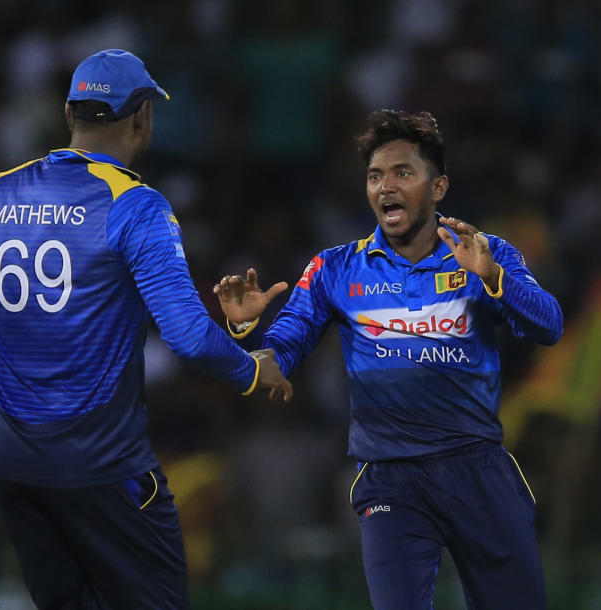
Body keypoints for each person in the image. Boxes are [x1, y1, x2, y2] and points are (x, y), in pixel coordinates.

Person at [0, 49, 292, 610]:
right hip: (104, 469)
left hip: (15, 469)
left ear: (69, 113)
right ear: (141, 118)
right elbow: (186, 337)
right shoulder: (136, 206)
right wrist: (252, 373)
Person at [214, 109, 563, 609]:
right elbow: (283, 351)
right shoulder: (335, 267)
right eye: (376, 176)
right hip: (391, 479)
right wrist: (244, 332)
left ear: (438, 187)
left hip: (478, 469)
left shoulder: (483, 253)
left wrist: (492, 279)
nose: (385, 187)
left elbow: (548, 325)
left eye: (403, 173)